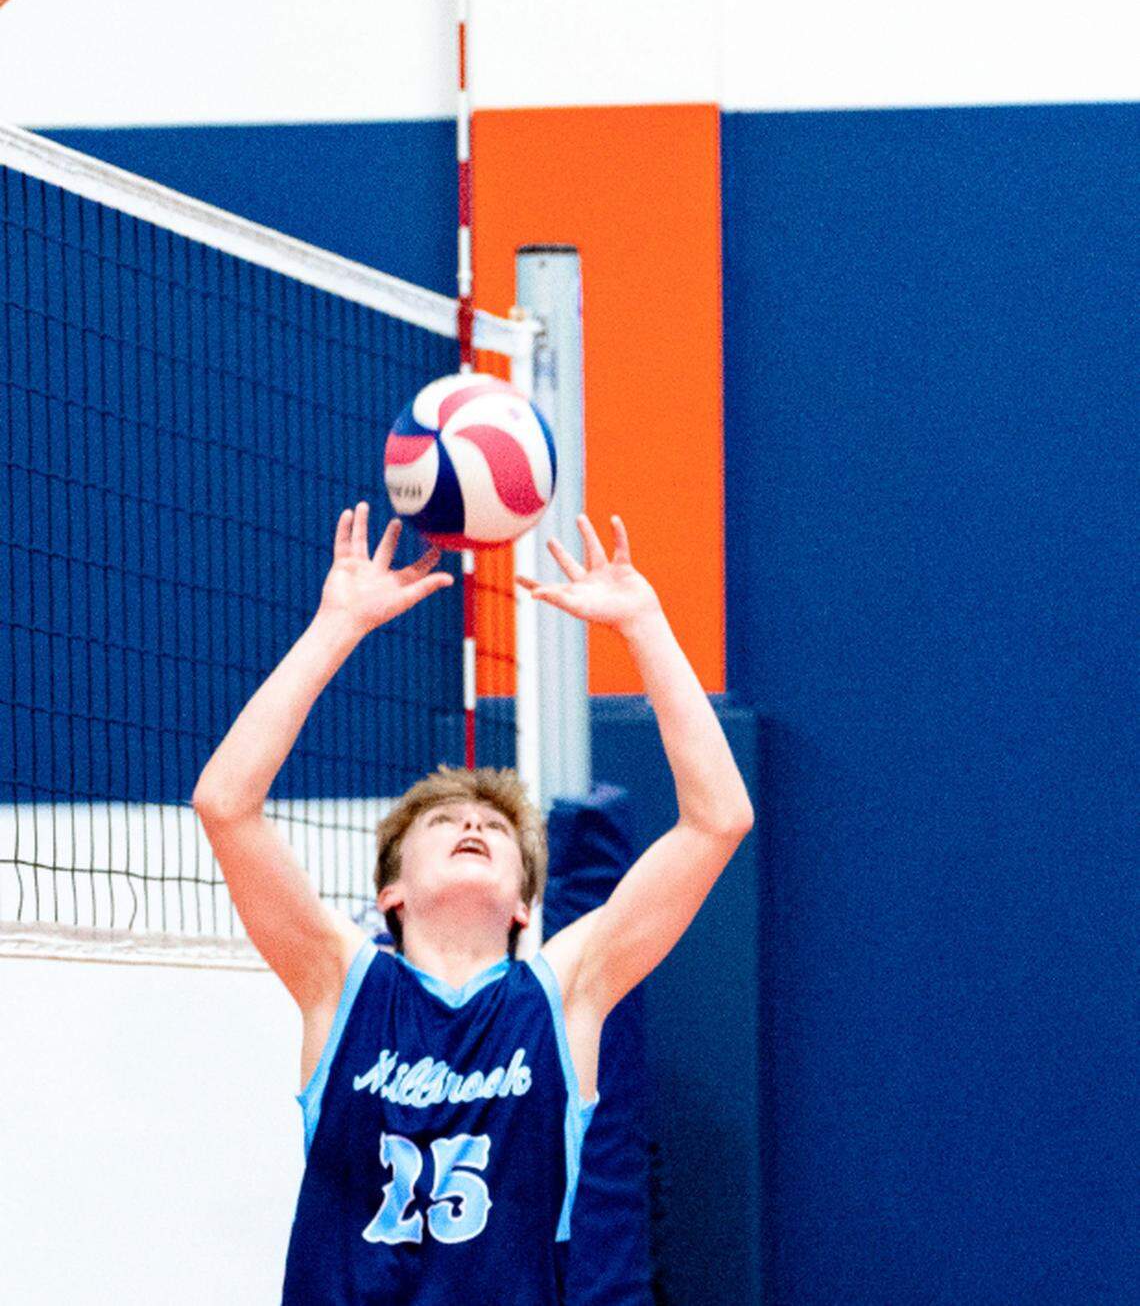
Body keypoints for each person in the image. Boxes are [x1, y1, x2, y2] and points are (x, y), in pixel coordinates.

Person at [192, 501, 754, 1305]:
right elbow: (224, 802)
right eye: (445, 821)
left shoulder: (561, 996)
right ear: (391, 891)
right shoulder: (341, 984)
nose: (471, 823)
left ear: (526, 905)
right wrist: (336, 626)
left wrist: (644, 623)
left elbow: (719, 819)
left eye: (494, 825)